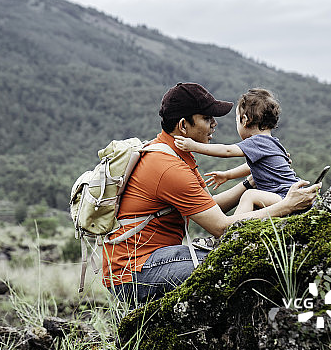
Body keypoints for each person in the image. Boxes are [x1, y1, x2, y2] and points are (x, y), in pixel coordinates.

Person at [103, 83, 319, 306]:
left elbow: (209, 207)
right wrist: (287, 206)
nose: (214, 124)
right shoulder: (169, 168)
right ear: (183, 126)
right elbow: (222, 227)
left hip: (154, 259)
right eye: (207, 118)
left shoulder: (174, 155)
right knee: (235, 261)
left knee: (244, 256)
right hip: (134, 272)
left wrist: (251, 181)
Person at [174, 88, 299, 215]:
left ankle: (233, 231)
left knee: (249, 196)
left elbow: (227, 150)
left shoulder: (257, 141)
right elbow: (251, 166)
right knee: (254, 201)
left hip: (283, 196)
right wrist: (228, 175)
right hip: (286, 194)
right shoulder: (274, 142)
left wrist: (194, 146)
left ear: (244, 120)